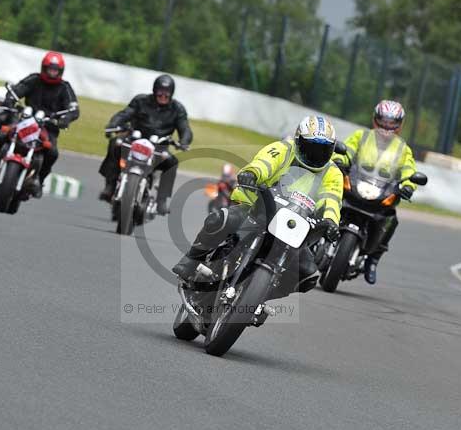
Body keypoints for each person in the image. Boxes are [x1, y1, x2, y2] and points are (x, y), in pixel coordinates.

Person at [172, 115, 342, 297]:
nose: (316, 155)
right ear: (299, 141)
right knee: (220, 219)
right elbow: (264, 163)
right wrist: (252, 174)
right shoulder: (283, 149)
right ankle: (191, 260)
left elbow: (332, 198)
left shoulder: (333, 173)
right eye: (311, 148)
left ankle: (260, 296)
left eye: (322, 150)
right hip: (258, 208)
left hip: (294, 225)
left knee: (308, 274)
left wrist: (331, 222)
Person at [332, 100, 418, 285]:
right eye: (383, 121)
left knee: (391, 219)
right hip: (354, 184)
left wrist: (409, 184)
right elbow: (347, 149)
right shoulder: (361, 136)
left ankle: (373, 259)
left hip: (382, 192)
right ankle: (311, 238)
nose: (387, 126)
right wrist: (340, 159)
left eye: (392, 122)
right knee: (328, 197)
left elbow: (409, 169)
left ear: (400, 125)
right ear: (375, 119)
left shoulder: (403, 149)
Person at [98, 74, 193, 214]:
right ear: (154, 90)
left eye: (167, 93)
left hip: (159, 146)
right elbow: (124, 114)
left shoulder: (177, 109)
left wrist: (184, 141)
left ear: (171, 93)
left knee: (172, 161)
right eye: (160, 92)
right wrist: (113, 125)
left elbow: (185, 129)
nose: (163, 95)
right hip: (134, 140)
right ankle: (110, 185)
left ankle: (161, 200)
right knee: (116, 143)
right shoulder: (140, 101)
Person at [4, 51, 79, 197]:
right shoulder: (34, 79)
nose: (52, 73)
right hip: (26, 121)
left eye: (55, 70)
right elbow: (17, 90)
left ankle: (39, 179)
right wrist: (11, 100)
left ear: (60, 72)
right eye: (50, 69)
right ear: (43, 68)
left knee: (52, 153)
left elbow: (74, 109)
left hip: (48, 126)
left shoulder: (64, 87)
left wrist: (65, 119)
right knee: (2, 135)